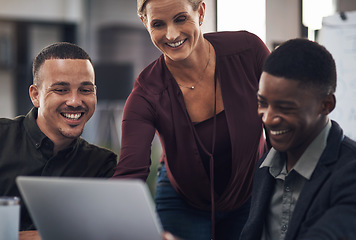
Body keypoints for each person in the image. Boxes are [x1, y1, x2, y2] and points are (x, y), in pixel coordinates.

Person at [112, 0, 270, 239]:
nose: (171, 34)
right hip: (183, 201)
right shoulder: (145, 95)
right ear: (145, 23)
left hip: (250, 193)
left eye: (180, 18)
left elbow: (286, 118)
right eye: (158, 24)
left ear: (201, 11)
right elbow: (129, 176)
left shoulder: (248, 52)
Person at [0, 42, 117, 240]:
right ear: (35, 95)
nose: (75, 101)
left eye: (85, 90)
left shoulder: (102, 165)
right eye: (61, 90)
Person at [240, 38, 356, 240]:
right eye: (262, 103)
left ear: (326, 105)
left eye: (285, 108)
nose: (268, 118)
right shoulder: (265, 167)